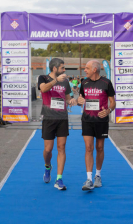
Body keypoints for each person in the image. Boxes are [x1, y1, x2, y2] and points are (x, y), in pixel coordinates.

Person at [38, 58, 77, 190]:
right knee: (48, 149)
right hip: (49, 117)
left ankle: (59, 179)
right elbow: (43, 90)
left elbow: (67, 98)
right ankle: (47, 166)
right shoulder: (43, 77)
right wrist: (56, 81)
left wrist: (72, 101)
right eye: (62, 68)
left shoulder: (66, 82)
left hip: (62, 118)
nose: (64, 70)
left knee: (62, 147)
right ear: (54, 68)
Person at [77, 60, 115, 191]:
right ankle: (88, 179)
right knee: (89, 148)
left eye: (87, 68)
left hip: (101, 120)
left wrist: (109, 110)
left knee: (99, 147)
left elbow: (113, 102)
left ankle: (98, 175)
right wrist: (78, 101)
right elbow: (80, 99)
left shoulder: (106, 83)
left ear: (94, 69)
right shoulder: (84, 83)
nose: (85, 70)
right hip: (87, 119)